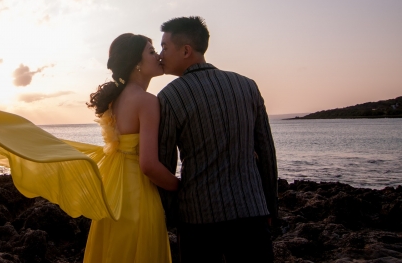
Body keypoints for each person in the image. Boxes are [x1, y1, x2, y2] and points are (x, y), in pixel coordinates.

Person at [157, 16, 278, 263]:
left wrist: (170, 216)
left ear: (186, 51)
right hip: (251, 212)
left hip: (197, 219)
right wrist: (270, 210)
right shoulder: (247, 86)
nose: (160, 54)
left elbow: (165, 162)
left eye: (165, 47)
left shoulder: (169, 96)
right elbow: (266, 152)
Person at [84, 33, 179, 263]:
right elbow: (148, 164)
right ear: (137, 62)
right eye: (151, 51)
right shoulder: (146, 101)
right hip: (138, 195)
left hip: (113, 192)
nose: (157, 56)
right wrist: (180, 187)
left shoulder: (115, 100)